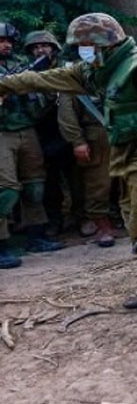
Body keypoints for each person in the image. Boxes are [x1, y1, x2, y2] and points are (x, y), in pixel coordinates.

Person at [0, 14, 137, 306]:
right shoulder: (98, 69)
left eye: (85, 44)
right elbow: (45, 79)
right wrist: (6, 85)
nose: (82, 50)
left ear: (103, 42)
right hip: (128, 154)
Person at [0, 24, 65, 269]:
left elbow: (41, 104)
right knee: (5, 190)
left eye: (8, 40)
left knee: (35, 185)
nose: (5, 45)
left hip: (26, 129)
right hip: (2, 133)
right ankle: (2, 245)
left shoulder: (18, 66)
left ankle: (36, 235)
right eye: (0, 41)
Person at [23, 31, 73, 236]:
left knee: (78, 180)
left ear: (53, 48)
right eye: (35, 47)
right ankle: (55, 220)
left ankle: (85, 217)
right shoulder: (27, 74)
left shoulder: (68, 68)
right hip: (42, 134)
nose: (40, 50)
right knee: (49, 182)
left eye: (44, 46)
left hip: (69, 133)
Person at [57, 88, 113, 246]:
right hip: (96, 133)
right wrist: (77, 141)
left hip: (124, 129)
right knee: (98, 183)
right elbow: (66, 114)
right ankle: (102, 226)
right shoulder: (75, 77)